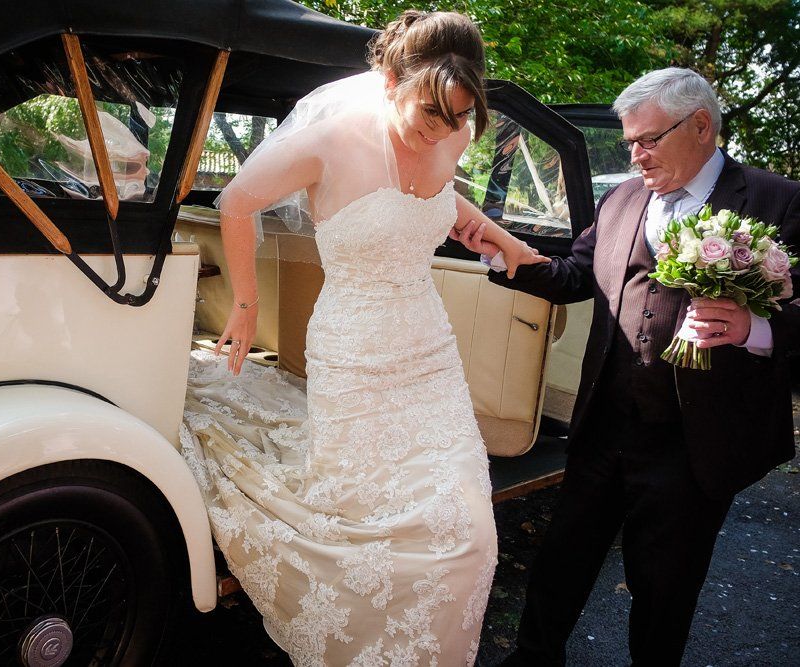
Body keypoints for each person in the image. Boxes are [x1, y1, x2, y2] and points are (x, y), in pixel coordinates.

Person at [178, 11, 544, 666]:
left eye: (456, 119)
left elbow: (440, 198)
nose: (441, 130)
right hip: (353, 346)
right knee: (363, 522)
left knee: (468, 530)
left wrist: (503, 237)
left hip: (428, 346)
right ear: (388, 78)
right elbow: (234, 202)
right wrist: (244, 301)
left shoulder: (452, 134)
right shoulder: (329, 140)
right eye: (430, 113)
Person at [458, 67, 799, 666]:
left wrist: (755, 328)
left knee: (664, 588)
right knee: (561, 562)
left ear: (701, 126)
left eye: (647, 140)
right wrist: (504, 251)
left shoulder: (777, 201)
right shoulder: (624, 199)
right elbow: (572, 277)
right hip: (603, 427)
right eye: (629, 141)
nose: (634, 154)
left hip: (694, 443)